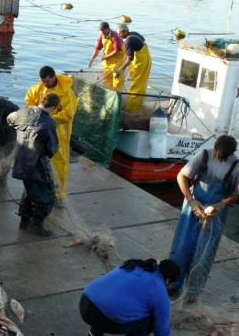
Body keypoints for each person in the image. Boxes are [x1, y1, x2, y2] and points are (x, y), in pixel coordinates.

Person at [168, 135, 239, 303]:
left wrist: (222, 204)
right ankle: (172, 283)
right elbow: (182, 176)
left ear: (233, 153)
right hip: (193, 206)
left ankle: (193, 291)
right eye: (218, 156)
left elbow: (238, 192)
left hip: (215, 212)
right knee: (182, 245)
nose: (220, 160)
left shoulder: (236, 165)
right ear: (214, 149)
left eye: (224, 157)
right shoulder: (204, 155)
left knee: (204, 251)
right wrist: (192, 201)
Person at [80, 258, 180, 336]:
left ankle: (94, 334)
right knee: (149, 321)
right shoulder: (159, 290)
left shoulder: (134, 266)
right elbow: (161, 330)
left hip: (85, 302)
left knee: (107, 301)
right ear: (168, 280)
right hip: (103, 317)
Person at [7, 92, 60, 236]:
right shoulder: (49, 122)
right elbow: (52, 147)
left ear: (41, 101)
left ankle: (24, 221)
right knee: (47, 196)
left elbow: (9, 119)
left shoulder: (23, 112)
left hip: (20, 162)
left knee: (28, 191)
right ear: (53, 107)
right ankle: (36, 224)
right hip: (37, 164)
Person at [25, 66, 77, 206]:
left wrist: (47, 119)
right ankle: (39, 191)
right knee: (39, 163)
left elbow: (67, 114)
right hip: (40, 132)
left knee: (59, 164)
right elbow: (29, 101)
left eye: (47, 81)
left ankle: (59, 195)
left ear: (54, 77)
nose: (45, 84)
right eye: (43, 81)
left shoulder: (66, 93)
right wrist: (34, 114)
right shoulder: (38, 88)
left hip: (59, 134)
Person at [115, 24, 152, 113]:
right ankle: (137, 105)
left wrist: (121, 69)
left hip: (141, 62)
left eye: (120, 34)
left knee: (136, 85)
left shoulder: (128, 40)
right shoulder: (133, 33)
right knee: (141, 83)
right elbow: (142, 39)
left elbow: (130, 59)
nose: (119, 36)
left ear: (125, 32)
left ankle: (131, 109)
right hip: (147, 58)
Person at [88, 21, 127, 91]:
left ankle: (117, 98)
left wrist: (106, 57)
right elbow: (97, 48)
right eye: (101, 30)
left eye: (103, 30)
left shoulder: (115, 36)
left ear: (108, 28)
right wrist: (92, 59)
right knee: (107, 80)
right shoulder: (101, 35)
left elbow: (118, 51)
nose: (102, 32)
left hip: (119, 61)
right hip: (108, 62)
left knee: (117, 82)